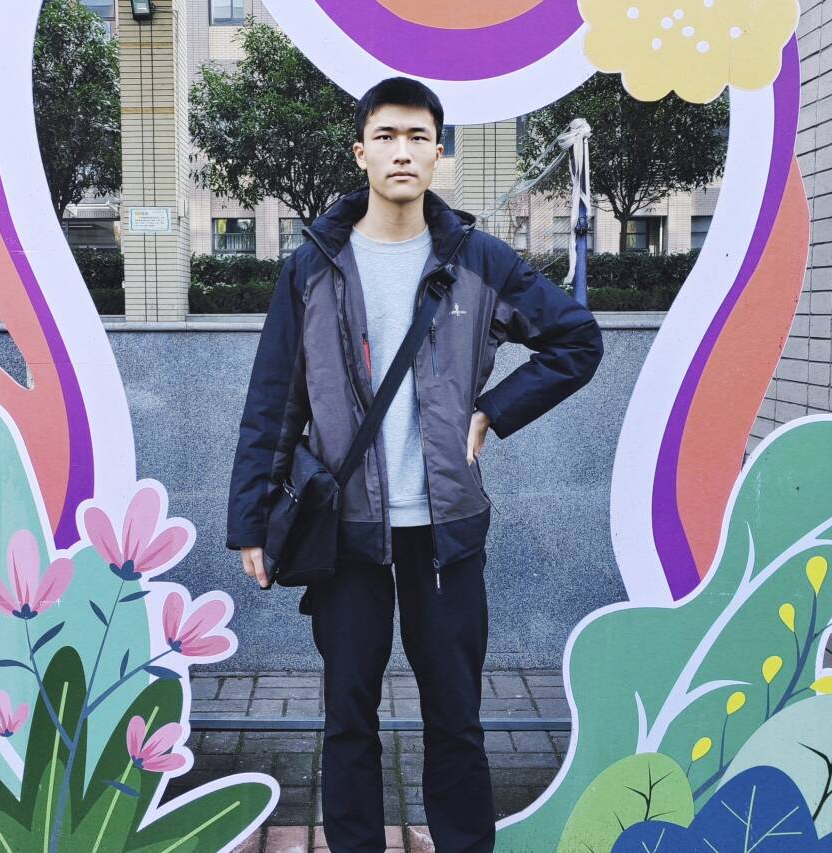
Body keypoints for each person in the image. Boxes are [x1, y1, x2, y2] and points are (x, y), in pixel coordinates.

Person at [226, 77, 603, 852]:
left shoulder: (478, 260)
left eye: (418, 137)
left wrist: (493, 412)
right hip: (345, 531)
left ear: (437, 154)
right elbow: (273, 400)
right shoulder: (313, 266)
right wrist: (250, 520)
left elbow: (577, 340)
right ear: (360, 152)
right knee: (348, 718)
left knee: (456, 718)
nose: (402, 151)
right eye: (387, 136)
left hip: (446, 529)